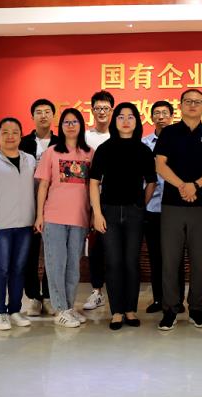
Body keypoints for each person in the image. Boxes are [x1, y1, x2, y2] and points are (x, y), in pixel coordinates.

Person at [155, 89, 202, 330]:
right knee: (170, 260)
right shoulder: (169, 132)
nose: (192, 105)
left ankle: (196, 309)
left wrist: (195, 186)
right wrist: (182, 186)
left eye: (197, 102)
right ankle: (170, 309)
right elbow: (160, 165)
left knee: (199, 260)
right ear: (181, 105)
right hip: (172, 205)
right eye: (188, 101)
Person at [89, 102, 157, 330]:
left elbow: (151, 182)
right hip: (108, 211)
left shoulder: (143, 150)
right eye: (121, 116)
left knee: (131, 262)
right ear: (114, 120)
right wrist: (97, 213)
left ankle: (130, 310)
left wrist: (140, 204)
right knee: (113, 262)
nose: (126, 121)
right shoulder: (105, 149)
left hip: (134, 213)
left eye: (130, 116)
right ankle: (116, 311)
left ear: (137, 121)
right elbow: (94, 182)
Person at [34, 108, 93, 328]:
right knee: (55, 264)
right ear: (61, 126)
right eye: (66, 122)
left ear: (81, 125)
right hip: (54, 217)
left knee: (73, 267)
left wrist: (93, 215)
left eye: (74, 121)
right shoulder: (51, 152)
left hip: (79, 218)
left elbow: (94, 187)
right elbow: (43, 185)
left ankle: (68, 306)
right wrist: (39, 215)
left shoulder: (89, 153)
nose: (70, 125)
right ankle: (59, 309)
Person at [0, 117, 36, 331]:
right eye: (5, 132)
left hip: (25, 225)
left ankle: (14, 310)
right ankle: (0, 313)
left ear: (21, 136)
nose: (10, 136)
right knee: (1, 269)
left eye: (15, 132)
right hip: (0, 225)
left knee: (19, 269)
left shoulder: (30, 160)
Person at [142, 100, 186, 315]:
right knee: (156, 255)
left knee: (176, 256)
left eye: (165, 113)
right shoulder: (144, 144)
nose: (161, 117)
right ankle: (159, 298)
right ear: (151, 117)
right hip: (152, 207)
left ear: (172, 116)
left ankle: (178, 300)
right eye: (157, 113)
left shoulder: (182, 140)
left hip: (176, 207)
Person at [19, 98, 58, 317]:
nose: (43, 115)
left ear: (53, 116)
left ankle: (50, 297)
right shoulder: (22, 143)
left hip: (55, 205)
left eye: (47, 111)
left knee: (52, 253)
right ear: (32, 116)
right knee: (30, 253)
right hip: (28, 204)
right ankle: (34, 297)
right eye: (39, 112)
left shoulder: (61, 142)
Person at [82, 90, 115, 311]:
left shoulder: (119, 135)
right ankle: (96, 291)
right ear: (92, 110)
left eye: (106, 108)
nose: (102, 112)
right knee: (95, 248)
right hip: (89, 198)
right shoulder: (85, 137)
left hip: (113, 199)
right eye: (98, 108)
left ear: (112, 111)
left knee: (113, 248)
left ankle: (117, 292)